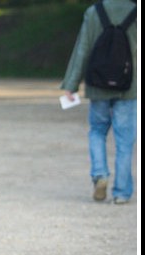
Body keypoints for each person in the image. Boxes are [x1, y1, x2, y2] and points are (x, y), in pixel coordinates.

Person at [60, 0, 137, 205]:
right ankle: (121, 192)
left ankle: (100, 174)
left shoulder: (94, 12)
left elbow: (82, 49)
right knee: (125, 140)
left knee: (97, 131)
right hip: (129, 87)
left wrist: (71, 83)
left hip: (98, 84)